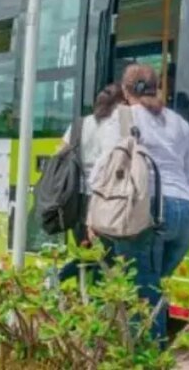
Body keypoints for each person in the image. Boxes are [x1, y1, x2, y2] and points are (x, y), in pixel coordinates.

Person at [90, 64, 189, 343]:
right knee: (151, 284)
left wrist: (92, 213)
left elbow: (104, 168)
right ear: (157, 87)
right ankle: (133, 344)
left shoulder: (122, 118)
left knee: (142, 293)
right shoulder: (180, 123)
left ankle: (145, 354)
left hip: (148, 209)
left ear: (125, 90)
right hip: (187, 213)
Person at [56, 83, 125, 281]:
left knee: (85, 249)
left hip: (78, 198)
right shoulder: (116, 127)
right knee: (106, 255)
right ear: (119, 103)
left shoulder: (80, 124)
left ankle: (78, 290)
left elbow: (59, 152)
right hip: (103, 198)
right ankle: (61, 276)